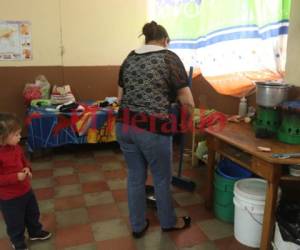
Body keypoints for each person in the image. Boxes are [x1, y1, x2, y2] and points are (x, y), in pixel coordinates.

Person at [116, 21, 195, 238]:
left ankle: (137, 225)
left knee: (135, 176)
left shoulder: (129, 57)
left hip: (124, 124)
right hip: (153, 128)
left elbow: (120, 98)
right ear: (165, 40)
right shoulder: (169, 57)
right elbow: (187, 101)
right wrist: (185, 125)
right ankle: (169, 222)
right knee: (161, 178)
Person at [0, 113, 51, 250]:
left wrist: (27, 168)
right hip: (10, 198)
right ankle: (17, 241)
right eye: (16, 135)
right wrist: (16, 177)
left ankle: (35, 232)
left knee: (33, 213)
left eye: (19, 133)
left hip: (26, 190)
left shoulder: (16, 147)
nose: (19, 137)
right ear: (2, 138)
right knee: (15, 222)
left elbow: (23, 161)